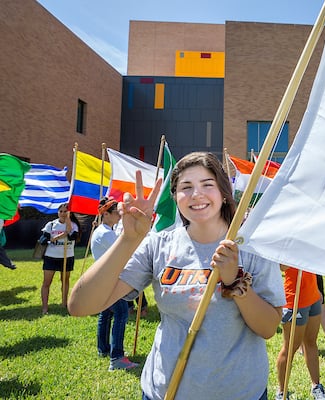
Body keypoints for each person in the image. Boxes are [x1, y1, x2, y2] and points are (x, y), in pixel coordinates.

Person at [68, 152, 285, 400]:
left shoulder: (252, 248)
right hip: (163, 391)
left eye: (207, 185)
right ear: (175, 197)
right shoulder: (158, 246)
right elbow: (80, 305)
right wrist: (129, 240)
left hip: (240, 392)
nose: (196, 194)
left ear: (224, 193)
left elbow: (268, 328)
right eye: (186, 187)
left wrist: (234, 281)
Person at [91, 197, 138, 371]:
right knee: (121, 313)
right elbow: (123, 251)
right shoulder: (106, 233)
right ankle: (117, 357)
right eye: (117, 213)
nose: (119, 216)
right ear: (107, 214)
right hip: (110, 280)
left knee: (106, 314)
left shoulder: (102, 231)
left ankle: (103, 348)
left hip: (103, 279)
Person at [276, 266, 325, 400]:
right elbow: (280, 266)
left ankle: (316, 386)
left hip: (313, 297)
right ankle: (282, 392)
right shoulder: (288, 244)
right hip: (294, 301)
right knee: (290, 347)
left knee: (311, 342)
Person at [40, 203, 80, 314]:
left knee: (65, 280)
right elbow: (45, 238)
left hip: (67, 257)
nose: (62, 213)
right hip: (51, 257)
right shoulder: (51, 224)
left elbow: (72, 237)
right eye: (60, 211)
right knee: (46, 282)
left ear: (69, 213)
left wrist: (67, 228)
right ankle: (45, 307)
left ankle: (64, 303)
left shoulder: (73, 226)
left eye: (65, 211)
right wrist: (55, 237)